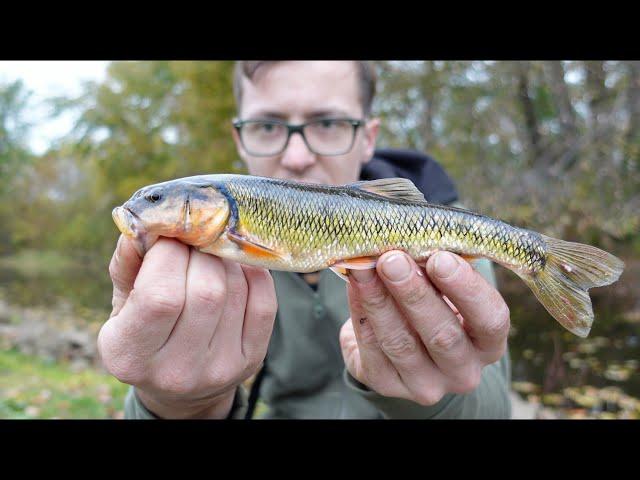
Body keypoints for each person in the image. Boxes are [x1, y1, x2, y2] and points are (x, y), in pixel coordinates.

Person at [99, 61, 512, 419]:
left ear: (368, 137)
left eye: (328, 123)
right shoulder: (203, 259)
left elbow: (496, 409)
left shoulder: (444, 235)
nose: (296, 157)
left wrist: (432, 397)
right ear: (239, 138)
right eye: (267, 125)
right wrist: (175, 405)